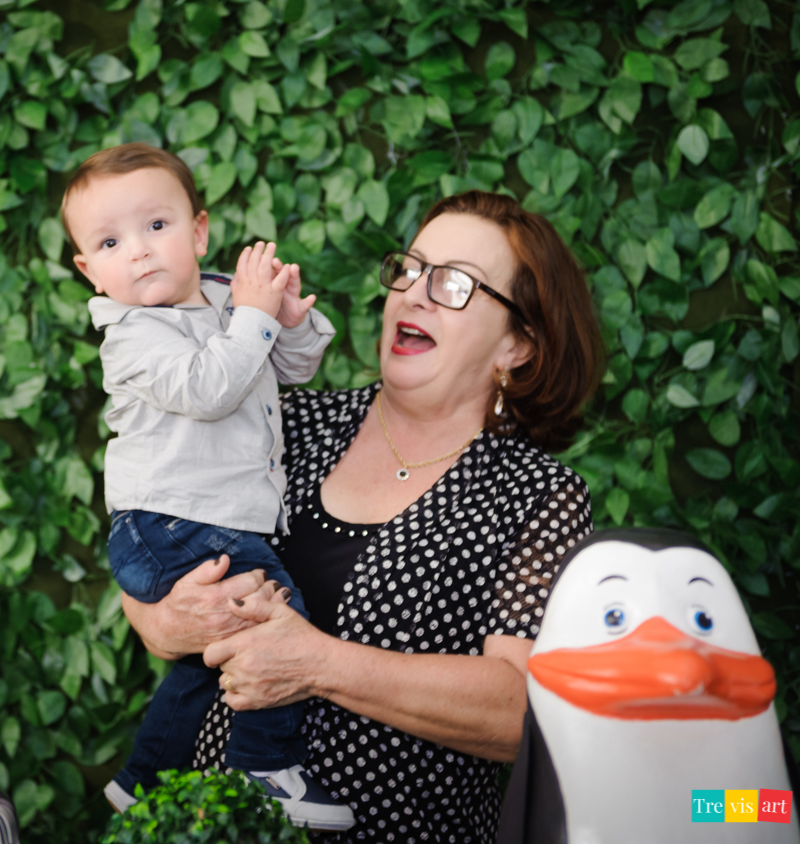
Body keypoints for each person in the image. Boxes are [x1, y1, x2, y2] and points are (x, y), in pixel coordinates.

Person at [120, 190, 604, 842]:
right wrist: (165, 620)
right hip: (215, 825)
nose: (415, 294)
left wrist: (316, 663)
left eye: (454, 283)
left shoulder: (537, 494)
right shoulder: (285, 424)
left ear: (518, 344)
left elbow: (520, 709)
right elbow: (153, 534)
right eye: (411, 269)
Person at [61, 143, 354, 830]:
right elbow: (208, 389)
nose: (138, 250)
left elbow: (292, 369)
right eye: (109, 242)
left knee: (207, 654)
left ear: (198, 231)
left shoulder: (229, 299)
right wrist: (252, 317)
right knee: (272, 614)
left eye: (156, 226)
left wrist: (286, 320)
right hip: (164, 519)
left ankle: (143, 775)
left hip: (201, 518)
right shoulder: (130, 333)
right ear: (89, 270)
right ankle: (265, 769)